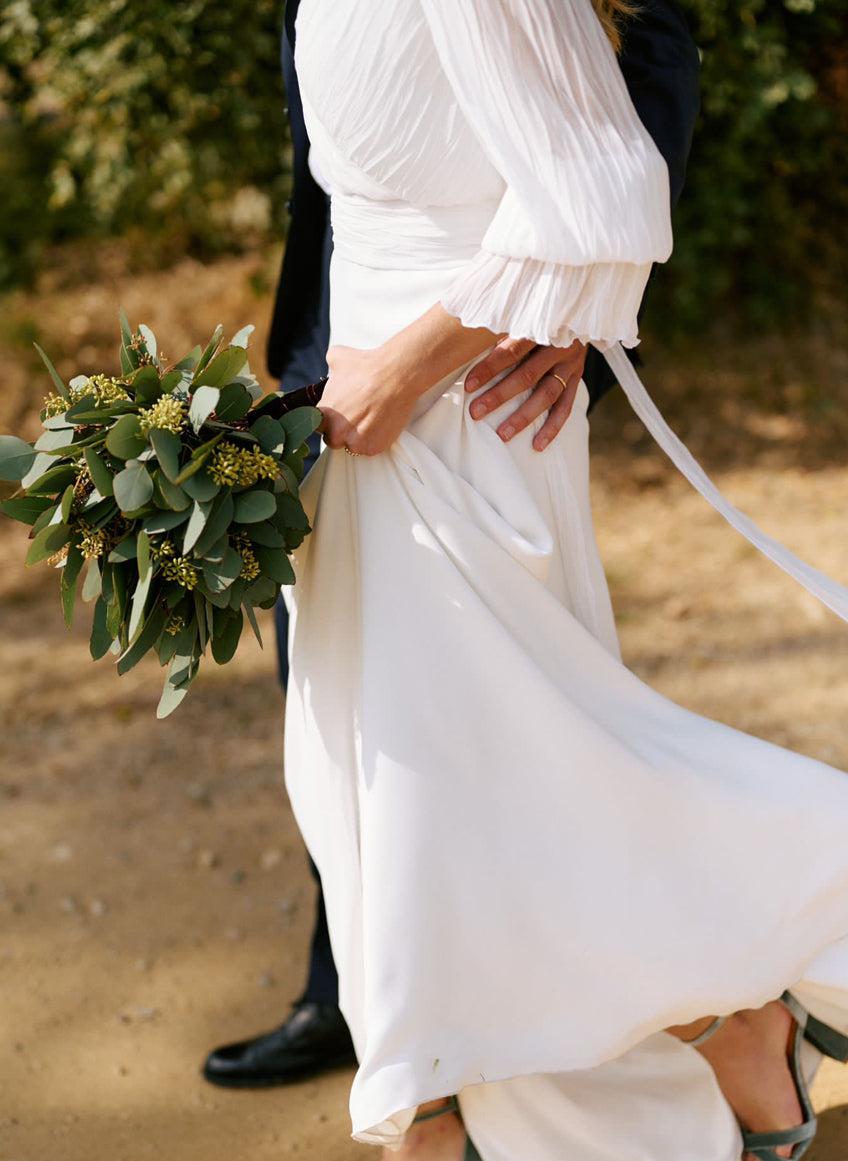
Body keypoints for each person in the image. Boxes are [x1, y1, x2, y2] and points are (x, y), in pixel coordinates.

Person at [280, 0, 848, 1161]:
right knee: (360, 784)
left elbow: (597, 194)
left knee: (506, 777)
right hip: (353, 407)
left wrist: (414, 368)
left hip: (447, 415)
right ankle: (434, 1119)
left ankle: (746, 998)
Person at [202, 0, 702, 1092]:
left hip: (473, 364)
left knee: (493, 741)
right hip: (338, 344)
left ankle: (719, 1002)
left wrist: (572, 299)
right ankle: (380, 1011)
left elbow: (648, 56)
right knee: (349, 726)